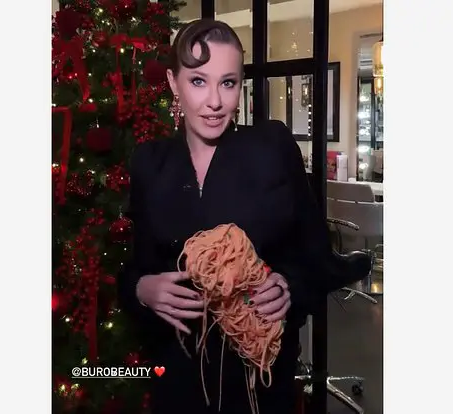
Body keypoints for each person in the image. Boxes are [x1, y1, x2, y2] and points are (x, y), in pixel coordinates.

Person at [118, 19, 362, 414]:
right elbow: (136, 267)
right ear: (173, 83)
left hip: (260, 383)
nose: (215, 101)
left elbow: (317, 258)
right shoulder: (150, 162)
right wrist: (141, 289)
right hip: (178, 376)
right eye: (198, 81)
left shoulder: (271, 148)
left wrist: (288, 287)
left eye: (228, 83)